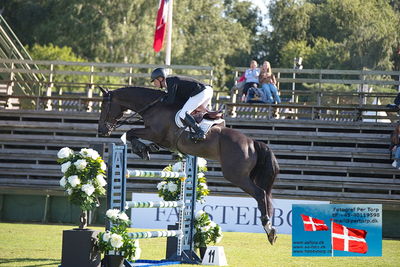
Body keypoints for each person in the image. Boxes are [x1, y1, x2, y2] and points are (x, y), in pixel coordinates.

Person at [151, 68, 213, 142]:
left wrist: (160, 101)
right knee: (195, 113)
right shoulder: (172, 82)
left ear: (160, 78)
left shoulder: (170, 81)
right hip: (207, 90)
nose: (154, 84)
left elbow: (170, 101)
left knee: (183, 114)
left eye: (154, 80)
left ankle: (200, 132)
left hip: (202, 91)